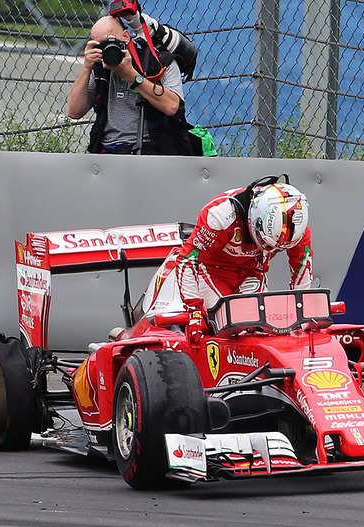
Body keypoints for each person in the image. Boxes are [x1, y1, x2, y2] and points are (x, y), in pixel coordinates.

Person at [176, 177, 313, 323]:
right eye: (267, 243)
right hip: (211, 270)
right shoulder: (221, 216)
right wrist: (194, 313)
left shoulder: (295, 229)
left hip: (252, 271)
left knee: (257, 324)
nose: (270, 250)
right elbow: (187, 260)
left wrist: (303, 312)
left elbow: (302, 266)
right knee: (220, 322)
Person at [67, 15, 186, 154]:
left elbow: (172, 106)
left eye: (111, 41)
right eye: (101, 45)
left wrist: (131, 75)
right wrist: (87, 68)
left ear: (126, 36)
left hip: (152, 148)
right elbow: (74, 111)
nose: (108, 48)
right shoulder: (100, 68)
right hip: (109, 150)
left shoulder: (159, 63)